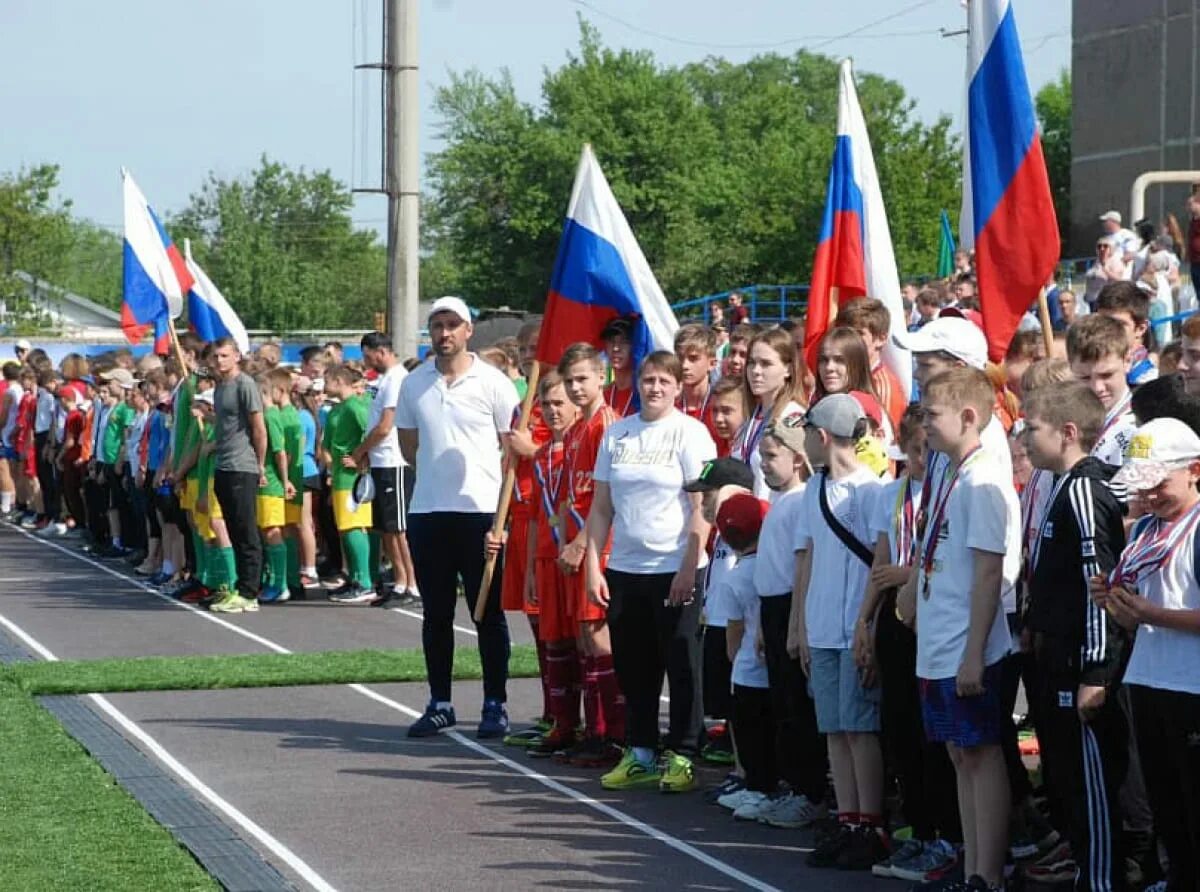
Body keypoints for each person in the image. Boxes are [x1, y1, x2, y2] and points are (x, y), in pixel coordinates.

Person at [896, 366, 1017, 892]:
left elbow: (990, 571)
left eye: (932, 414)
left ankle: (988, 874)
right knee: (957, 753)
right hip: (939, 639)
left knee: (979, 751)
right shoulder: (951, 471)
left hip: (969, 644)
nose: (923, 424)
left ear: (969, 417)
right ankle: (972, 865)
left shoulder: (986, 479)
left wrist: (974, 654)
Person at [585, 350, 716, 793]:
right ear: (637, 384)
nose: (654, 388)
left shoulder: (690, 434)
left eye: (664, 380)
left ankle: (683, 753)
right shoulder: (617, 435)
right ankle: (640, 751)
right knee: (634, 665)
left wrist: (687, 566)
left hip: (674, 566)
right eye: (648, 380)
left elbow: (703, 508)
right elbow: (601, 508)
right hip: (625, 567)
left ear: (678, 387)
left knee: (681, 662)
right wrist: (593, 565)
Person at [1021, 381, 1129, 890]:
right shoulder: (1059, 486)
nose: (1021, 437)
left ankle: (1101, 879)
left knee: (1091, 787)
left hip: (1078, 666)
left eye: (1032, 428)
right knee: (1065, 780)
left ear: (1067, 433)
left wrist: (1096, 671)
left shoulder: (1085, 488)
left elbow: (1098, 586)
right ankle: (1087, 868)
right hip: (1052, 659)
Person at [397, 296, 519, 739]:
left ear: (468, 330)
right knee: (436, 614)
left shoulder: (494, 382)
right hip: (429, 511)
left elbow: (514, 449)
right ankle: (440, 702)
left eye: (452, 325)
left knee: (487, 614)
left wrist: (502, 519)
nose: (444, 333)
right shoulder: (414, 384)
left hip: (482, 512)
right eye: (436, 325)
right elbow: (410, 447)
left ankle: (495, 702)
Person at [1094, 418, 1200, 890]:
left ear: (1193, 470)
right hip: (1149, 678)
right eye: (1142, 486)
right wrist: (1114, 603)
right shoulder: (1142, 532)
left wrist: (1152, 612)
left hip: (1191, 685)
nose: (1149, 497)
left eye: (1158, 484)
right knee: (1165, 799)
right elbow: (1132, 619)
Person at [789, 394, 888, 871]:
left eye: (808, 432)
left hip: (854, 626)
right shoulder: (815, 489)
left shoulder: (871, 490)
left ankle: (870, 824)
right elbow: (806, 557)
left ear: (823, 436)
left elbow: (879, 563)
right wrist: (802, 626)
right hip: (823, 624)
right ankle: (847, 820)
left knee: (859, 726)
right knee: (834, 727)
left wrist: (865, 622)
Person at [741, 410, 827, 830]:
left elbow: (800, 567)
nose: (763, 462)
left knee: (797, 707)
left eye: (771, 455)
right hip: (772, 610)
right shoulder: (781, 502)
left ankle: (809, 792)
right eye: (761, 454)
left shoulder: (801, 502)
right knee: (783, 705)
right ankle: (792, 786)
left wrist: (796, 625)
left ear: (797, 459)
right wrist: (760, 623)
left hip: (792, 610)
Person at [555, 343, 624, 763]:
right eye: (570, 380)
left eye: (583, 378)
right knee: (584, 637)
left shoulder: (606, 425)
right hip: (577, 547)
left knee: (600, 638)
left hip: (599, 548)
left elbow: (608, 498)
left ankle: (612, 734)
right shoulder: (579, 428)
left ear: (602, 377)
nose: (576, 387)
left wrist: (583, 546)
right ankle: (592, 729)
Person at [709, 493, 773, 814]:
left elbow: (733, 635)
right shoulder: (774, 567)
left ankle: (759, 788)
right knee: (772, 731)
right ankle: (768, 786)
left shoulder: (733, 579)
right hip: (771, 668)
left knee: (750, 736)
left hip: (747, 670)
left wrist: (735, 658)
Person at [353, 332, 416, 608]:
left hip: (394, 460)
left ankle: (413, 586)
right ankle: (400, 582)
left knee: (400, 528)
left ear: (380, 351)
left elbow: (385, 426)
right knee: (387, 528)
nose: (367, 362)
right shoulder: (384, 380)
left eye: (368, 356)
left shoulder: (397, 378)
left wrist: (360, 451)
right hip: (381, 461)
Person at [209, 336, 267, 613]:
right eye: (216, 356)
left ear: (236, 357)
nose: (219, 361)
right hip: (224, 464)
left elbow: (258, 427)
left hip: (242, 465)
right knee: (233, 528)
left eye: (224, 356)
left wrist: (260, 464)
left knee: (246, 530)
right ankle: (240, 587)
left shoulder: (245, 384)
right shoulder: (220, 388)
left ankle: (249, 591)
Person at [731, 328, 807, 499]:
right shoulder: (750, 419)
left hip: (781, 516)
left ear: (788, 369)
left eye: (766, 364)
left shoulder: (793, 417)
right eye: (751, 362)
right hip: (750, 519)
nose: (756, 371)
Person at [321, 366, 375, 604]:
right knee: (345, 527)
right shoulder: (337, 409)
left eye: (328, 380)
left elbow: (370, 431)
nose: (324, 385)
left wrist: (360, 457)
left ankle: (365, 581)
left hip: (352, 477)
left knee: (354, 526)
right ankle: (355, 578)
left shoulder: (355, 405)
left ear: (339, 381)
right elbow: (329, 442)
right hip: (340, 475)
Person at [837, 297, 907, 431]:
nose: (849, 339)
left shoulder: (881, 388)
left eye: (859, 333)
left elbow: (885, 444)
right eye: (845, 332)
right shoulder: (845, 376)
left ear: (881, 339)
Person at [254, 374, 291, 603]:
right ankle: (272, 579)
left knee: (273, 531)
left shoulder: (271, 416)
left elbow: (280, 451)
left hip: (271, 483)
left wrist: (285, 480)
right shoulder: (263, 416)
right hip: (262, 483)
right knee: (264, 531)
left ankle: (281, 583)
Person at [1095, 280, 1158, 385]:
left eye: (1118, 324)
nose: (1107, 330)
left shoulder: (1148, 379)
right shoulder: (1087, 373)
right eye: (1102, 322)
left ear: (1140, 329)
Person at [600, 317, 637, 417]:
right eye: (611, 341)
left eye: (624, 342)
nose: (616, 348)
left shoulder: (642, 396)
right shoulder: (601, 397)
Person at [707, 375, 746, 458]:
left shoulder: (751, 450)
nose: (718, 419)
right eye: (714, 410)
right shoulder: (714, 443)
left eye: (726, 411)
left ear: (746, 411)